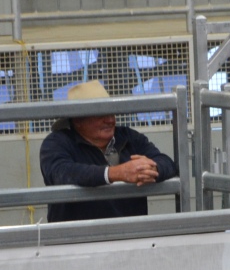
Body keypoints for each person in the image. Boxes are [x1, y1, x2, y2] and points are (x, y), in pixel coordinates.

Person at [39, 80, 179, 223]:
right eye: (100, 114)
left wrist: (152, 169)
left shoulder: (128, 137)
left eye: (112, 112)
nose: (110, 120)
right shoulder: (57, 142)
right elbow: (61, 173)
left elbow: (167, 163)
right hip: (77, 235)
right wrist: (117, 173)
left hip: (131, 232)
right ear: (77, 120)